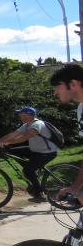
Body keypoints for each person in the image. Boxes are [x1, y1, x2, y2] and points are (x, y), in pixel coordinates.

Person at [0, 106, 58, 198]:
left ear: (29, 115)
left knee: (27, 170)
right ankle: (31, 170)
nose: (20, 117)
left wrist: (6, 143)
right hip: (36, 150)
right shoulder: (27, 125)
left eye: (21, 115)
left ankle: (40, 193)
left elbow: (24, 137)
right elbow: (12, 135)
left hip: (47, 152)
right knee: (11, 151)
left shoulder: (37, 124)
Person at [51, 64, 83, 202]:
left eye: (58, 85)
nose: (55, 92)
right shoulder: (81, 109)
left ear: (73, 84)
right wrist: (75, 187)